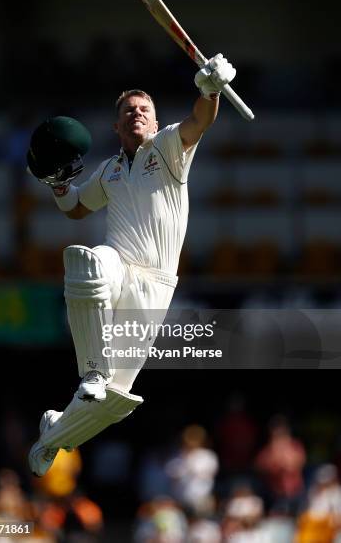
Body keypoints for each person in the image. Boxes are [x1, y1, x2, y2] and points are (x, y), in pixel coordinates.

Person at [28, 53, 236, 477]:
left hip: (155, 284)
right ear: (117, 126)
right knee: (85, 261)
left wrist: (211, 89)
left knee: (115, 399)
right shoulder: (108, 171)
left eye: (145, 110)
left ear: (156, 124)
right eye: (128, 110)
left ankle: (52, 438)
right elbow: (76, 209)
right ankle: (92, 372)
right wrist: (57, 185)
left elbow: (200, 121)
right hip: (117, 264)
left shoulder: (170, 149)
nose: (136, 114)